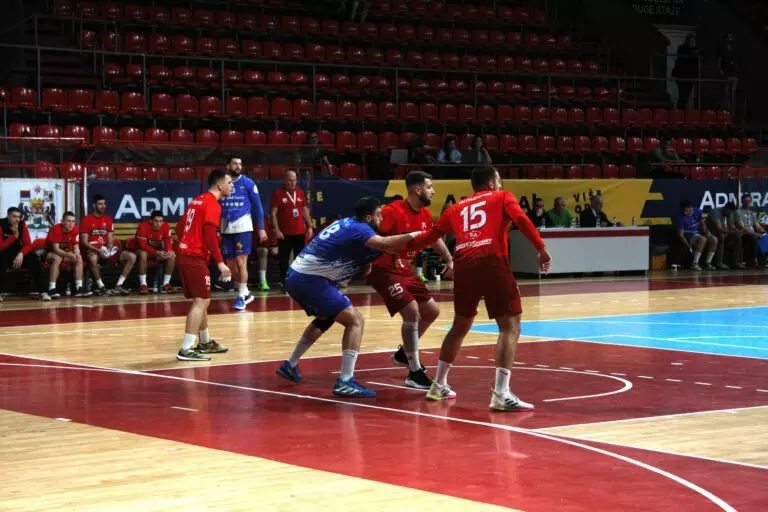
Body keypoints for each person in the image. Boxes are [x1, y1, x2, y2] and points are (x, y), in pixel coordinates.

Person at [407, 166, 551, 411]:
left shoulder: (456, 207)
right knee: (510, 326)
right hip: (491, 260)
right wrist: (541, 249)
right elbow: (521, 220)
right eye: (499, 180)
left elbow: (431, 236)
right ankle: (501, 394)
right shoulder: (502, 197)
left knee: (460, 325)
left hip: (463, 265)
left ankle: (438, 385)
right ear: (492, 183)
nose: (501, 184)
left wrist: (398, 245)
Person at [275, 196, 417, 398]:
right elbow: (386, 244)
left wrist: (362, 264)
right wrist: (417, 235)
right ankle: (345, 380)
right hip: (309, 279)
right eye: (378, 214)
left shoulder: (347, 223)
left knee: (326, 318)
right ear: (368, 217)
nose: (381, 218)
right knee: (355, 321)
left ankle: (290, 364)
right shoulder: (361, 229)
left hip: (295, 275)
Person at [366, 171, 454, 389]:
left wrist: (449, 259)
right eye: (430, 187)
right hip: (383, 269)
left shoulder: (425, 214)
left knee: (431, 311)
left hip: (405, 269)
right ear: (417, 189)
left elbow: (434, 238)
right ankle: (414, 373)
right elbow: (370, 236)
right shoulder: (392, 211)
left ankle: (403, 354)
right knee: (412, 312)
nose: (433, 191)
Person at [175, 170, 234, 361]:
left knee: (203, 299)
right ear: (219, 185)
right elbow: (209, 235)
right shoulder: (212, 204)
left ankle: (205, 341)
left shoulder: (196, 201)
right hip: (194, 256)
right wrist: (220, 262)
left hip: (186, 254)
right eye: (230, 183)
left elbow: (179, 227)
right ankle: (186, 349)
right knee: (200, 301)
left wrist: (186, 242)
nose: (232, 186)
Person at [220, 156, 267, 310]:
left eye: (240, 163)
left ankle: (240, 296)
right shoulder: (222, 183)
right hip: (226, 228)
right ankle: (246, 292)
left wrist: (261, 228)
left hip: (243, 227)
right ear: (228, 166)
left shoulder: (248, 183)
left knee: (241, 262)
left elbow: (258, 207)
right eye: (235, 163)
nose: (238, 166)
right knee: (230, 266)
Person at [80, 194, 136, 296]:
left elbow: (110, 240)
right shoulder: (86, 220)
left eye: (104, 204)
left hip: (105, 251)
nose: (103, 206)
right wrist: (98, 251)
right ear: (94, 205)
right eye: (100, 204)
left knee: (132, 256)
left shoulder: (108, 219)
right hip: (93, 251)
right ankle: (101, 287)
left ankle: (119, 285)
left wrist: (110, 250)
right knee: (93, 258)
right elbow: (84, 242)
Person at [270, 170, 313, 286]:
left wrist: (309, 226)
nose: (293, 183)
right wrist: (277, 230)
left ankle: (299, 282)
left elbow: (304, 209)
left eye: (295, 180)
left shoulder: (300, 192)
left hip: (299, 232)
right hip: (284, 233)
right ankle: (284, 283)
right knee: (283, 260)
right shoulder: (278, 193)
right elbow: (273, 213)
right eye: (290, 180)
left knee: (300, 259)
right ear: (285, 180)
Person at [0, 206, 47, 299]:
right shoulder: (1, 224)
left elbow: (28, 244)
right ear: (8, 216)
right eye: (14, 216)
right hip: (4, 252)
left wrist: (21, 253)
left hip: (19, 253)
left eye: (19, 217)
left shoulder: (22, 224)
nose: (17, 219)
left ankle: (44, 292)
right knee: (1, 260)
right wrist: (14, 236)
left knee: (33, 259)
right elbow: (0, 247)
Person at [125, 210, 175, 294]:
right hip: (140, 251)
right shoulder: (143, 226)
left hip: (156, 251)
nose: (159, 224)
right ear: (151, 221)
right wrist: (157, 253)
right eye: (156, 221)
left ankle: (165, 284)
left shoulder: (165, 226)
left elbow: (167, 241)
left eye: (161, 221)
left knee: (172, 254)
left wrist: (168, 251)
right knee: (143, 253)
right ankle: (143, 285)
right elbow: (143, 246)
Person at [45, 211, 90, 297]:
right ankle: (51, 289)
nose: (71, 224)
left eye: (73, 221)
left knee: (79, 258)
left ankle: (79, 288)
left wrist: (76, 255)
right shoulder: (56, 229)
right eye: (68, 221)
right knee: (57, 258)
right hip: (50, 254)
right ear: (62, 221)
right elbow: (56, 249)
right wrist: (69, 255)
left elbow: (76, 247)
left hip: (65, 254)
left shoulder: (75, 229)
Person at [677, 200, 717, 270]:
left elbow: (703, 224)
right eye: (683, 211)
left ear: (690, 207)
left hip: (698, 233)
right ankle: (694, 264)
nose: (685, 213)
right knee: (702, 239)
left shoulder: (697, 211)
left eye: (686, 211)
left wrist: (706, 233)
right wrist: (688, 246)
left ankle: (707, 263)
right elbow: (681, 235)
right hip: (688, 235)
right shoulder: (681, 217)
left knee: (714, 239)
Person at [706, 202, 743, 270]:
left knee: (737, 237)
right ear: (726, 209)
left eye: (732, 212)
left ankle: (736, 262)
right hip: (710, 232)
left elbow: (731, 226)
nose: (730, 213)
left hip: (722, 232)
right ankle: (719, 263)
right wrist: (732, 231)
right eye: (730, 211)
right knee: (721, 237)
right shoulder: (716, 212)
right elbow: (719, 228)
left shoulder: (729, 213)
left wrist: (736, 230)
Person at [734, 194, 766, 267]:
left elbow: (758, 227)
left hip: (752, 233)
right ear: (742, 201)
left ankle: (763, 261)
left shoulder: (752, 213)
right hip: (743, 234)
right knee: (754, 238)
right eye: (746, 201)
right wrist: (756, 234)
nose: (747, 202)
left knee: (765, 237)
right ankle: (752, 261)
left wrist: (765, 233)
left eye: (749, 201)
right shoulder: (738, 212)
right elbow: (743, 228)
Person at [673, 34, 699, 109]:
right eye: (691, 41)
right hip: (682, 75)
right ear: (687, 41)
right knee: (682, 96)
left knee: (686, 96)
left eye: (693, 41)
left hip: (690, 76)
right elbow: (684, 56)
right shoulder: (682, 48)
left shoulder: (695, 49)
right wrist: (694, 52)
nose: (692, 42)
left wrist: (696, 76)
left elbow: (696, 63)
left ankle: (682, 110)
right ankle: (680, 111)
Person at [253, 217, 278, 291]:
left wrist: (275, 245)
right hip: (250, 245)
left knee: (264, 250)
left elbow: (272, 232)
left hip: (265, 245)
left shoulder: (267, 220)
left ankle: (263, 281)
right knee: (262, 250)